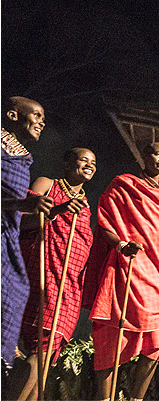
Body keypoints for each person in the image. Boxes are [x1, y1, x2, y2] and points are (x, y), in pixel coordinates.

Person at [82, 142, 159, 401]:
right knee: (111, 340)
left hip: (158, 273)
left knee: (155, 343)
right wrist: (122, 245)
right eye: (156, 153)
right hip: (128, 266)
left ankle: (136, 398)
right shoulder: (124, 184)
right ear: (144, 156)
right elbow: (105, 221)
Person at [10, 148, 96, 401]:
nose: (90, 165)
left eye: (93, 162)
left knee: (48, 354)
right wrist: (58, 210)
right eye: (84, 160)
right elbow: (20, 222)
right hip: (43, 274)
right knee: (41, 348)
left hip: (69, 287)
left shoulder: (87, 205)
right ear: (67, 162)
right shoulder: (46, 184)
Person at [1, 96, 51, 369]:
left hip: (7, 239)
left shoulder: (22, 159)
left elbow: (16, 215)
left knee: (17, 290)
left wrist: (47, 213)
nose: (42, 122)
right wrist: (22, 204)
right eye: (36, 115)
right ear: (12, 116)